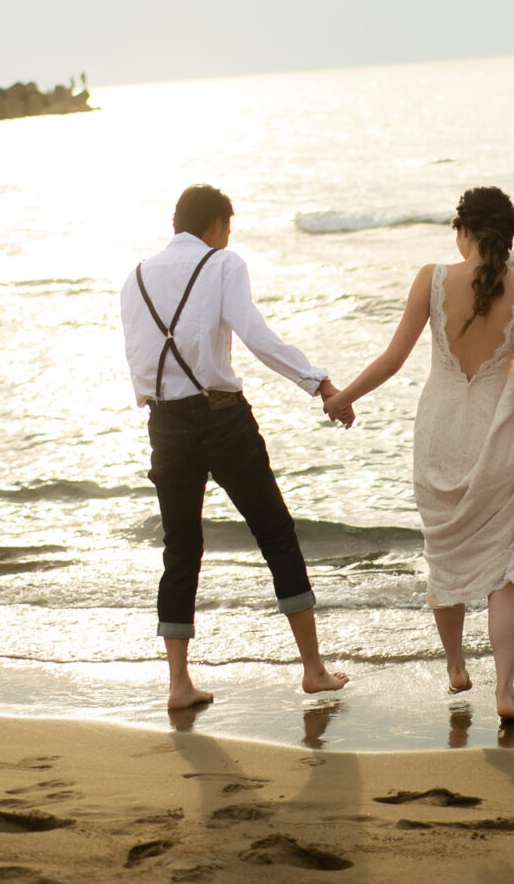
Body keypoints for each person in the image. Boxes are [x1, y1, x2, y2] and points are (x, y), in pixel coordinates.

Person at [324, 186, 514, 723]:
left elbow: (393, 358)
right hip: (500, 440)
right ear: (509, 239)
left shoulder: (431, 278)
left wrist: (343, 398)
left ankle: (455, 667)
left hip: (440, 432)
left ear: (463, 231)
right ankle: (506, 694)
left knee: (443, 556)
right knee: (502, 572)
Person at [120, 184, 352, 710]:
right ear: (217, 225)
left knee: (181, 549)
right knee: (275, 533)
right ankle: (313, 670)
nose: (230, 237)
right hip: (222, 420)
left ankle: (179, 684)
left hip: (164, 426)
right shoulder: (224, 265)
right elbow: (257, 336)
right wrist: (320, 384)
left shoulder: (133, 278)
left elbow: (138, 356)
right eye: (229, 227)